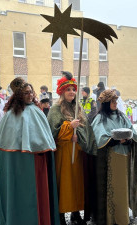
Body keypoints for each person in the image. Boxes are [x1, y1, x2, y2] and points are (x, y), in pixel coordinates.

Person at [0, 77, 60, 225]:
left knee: (38, 197)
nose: (30, 95)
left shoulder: (37, 111)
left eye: (31, 92)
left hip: (38, 164)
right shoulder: (10, 116)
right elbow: (7, 150)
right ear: (18, 96)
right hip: (20, 167)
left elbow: (45, 140)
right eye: (26, 93)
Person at [47, 71, 97, 225]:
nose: (71, 92)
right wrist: (69, 128)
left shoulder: (78, 108)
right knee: (64, 184)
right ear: (61, 92)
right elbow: (52, 130)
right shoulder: (55, 109)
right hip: (64, 152)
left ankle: (75, 213)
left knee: (77, 184)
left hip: (78, 152)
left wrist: (79, 135)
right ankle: (61, 214)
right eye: (68, 89)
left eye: (73, 89)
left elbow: (85, 128)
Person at [91, 89, 137, 225]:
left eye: (115, 101)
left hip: (125, 156)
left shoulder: (121, 116)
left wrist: (129, 139)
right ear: (106, 103)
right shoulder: (100, 118)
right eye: (112, 101)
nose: (114, 103)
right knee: (115, 187)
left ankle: (122, 215)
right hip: (113, 157)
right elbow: (100, 136)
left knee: (124, 187)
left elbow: (132, 130)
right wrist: (115, 141)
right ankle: (113, 217)